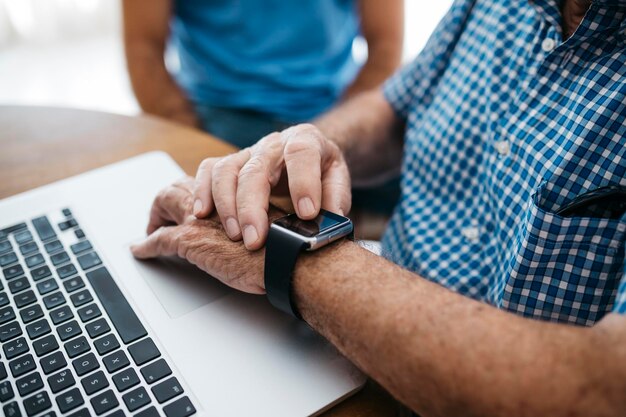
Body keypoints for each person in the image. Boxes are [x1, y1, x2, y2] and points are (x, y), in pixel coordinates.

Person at [131, 0, 626, 415]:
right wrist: (318, 140)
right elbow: (396, 107)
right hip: (340, 333)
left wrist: (293, 255)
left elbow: (602, 389)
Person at [122, 0, 404, 148]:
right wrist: (192, 142)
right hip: (220, 112)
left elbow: (386, 46)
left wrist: (343, 130)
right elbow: (143, 49)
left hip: (338, 105)